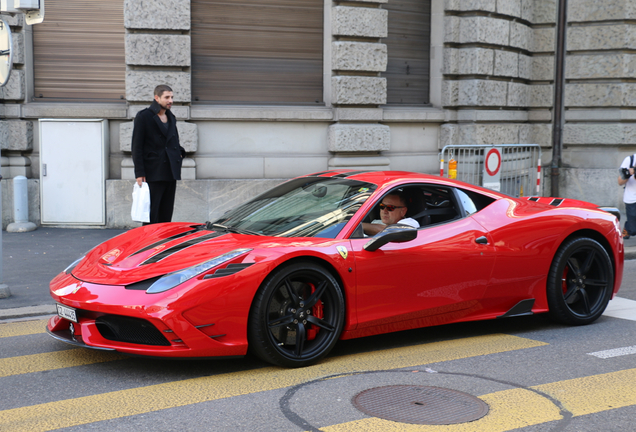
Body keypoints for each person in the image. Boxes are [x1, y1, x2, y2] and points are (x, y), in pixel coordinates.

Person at [132, 84, 185, 224]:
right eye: (167, 97)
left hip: (170, 172)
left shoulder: (171, 117)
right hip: (153, 172)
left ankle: (163, 243)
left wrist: (180, 153)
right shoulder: (144, 117)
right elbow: (136, 146)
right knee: (151, 214)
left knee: (166, 214)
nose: (171, 101)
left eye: (172, 97)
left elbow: (174, 141)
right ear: (157, 98)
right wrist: (139, 172)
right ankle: (149, 243)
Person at [618, 154, 636, 239]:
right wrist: (628, 173)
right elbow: (620, 182)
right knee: (633, 229)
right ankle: (628, 228)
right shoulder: (630, 160)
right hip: (632, 198)